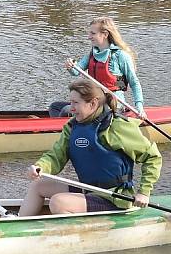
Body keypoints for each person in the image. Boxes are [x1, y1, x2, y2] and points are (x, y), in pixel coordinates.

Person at [20, 78, 162, 217]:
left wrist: (144, 191)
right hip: (88, 189)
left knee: (58, 202)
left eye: (76, 103)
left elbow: (153, 157)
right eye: (71, 102)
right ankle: (18, 226)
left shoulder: (116, 127)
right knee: (38, 185)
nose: (71, 108)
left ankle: (80, 235)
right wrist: (40, 167)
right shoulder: (71, 127)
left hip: (114, 198)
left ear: (93, 104)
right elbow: (56, 156)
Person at [49, 16, 145, 119]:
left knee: (65, 110)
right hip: (93, 101)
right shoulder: (93, 53)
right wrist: (71, 66)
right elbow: (76, 72)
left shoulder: (120, 56)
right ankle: (73, 125)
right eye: (89, 33)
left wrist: (139, 107)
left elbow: (134, 83)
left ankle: (69, 128)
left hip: (113, 105)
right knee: (54, 107)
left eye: (93, 33)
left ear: (105, 34)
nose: (89, 37)